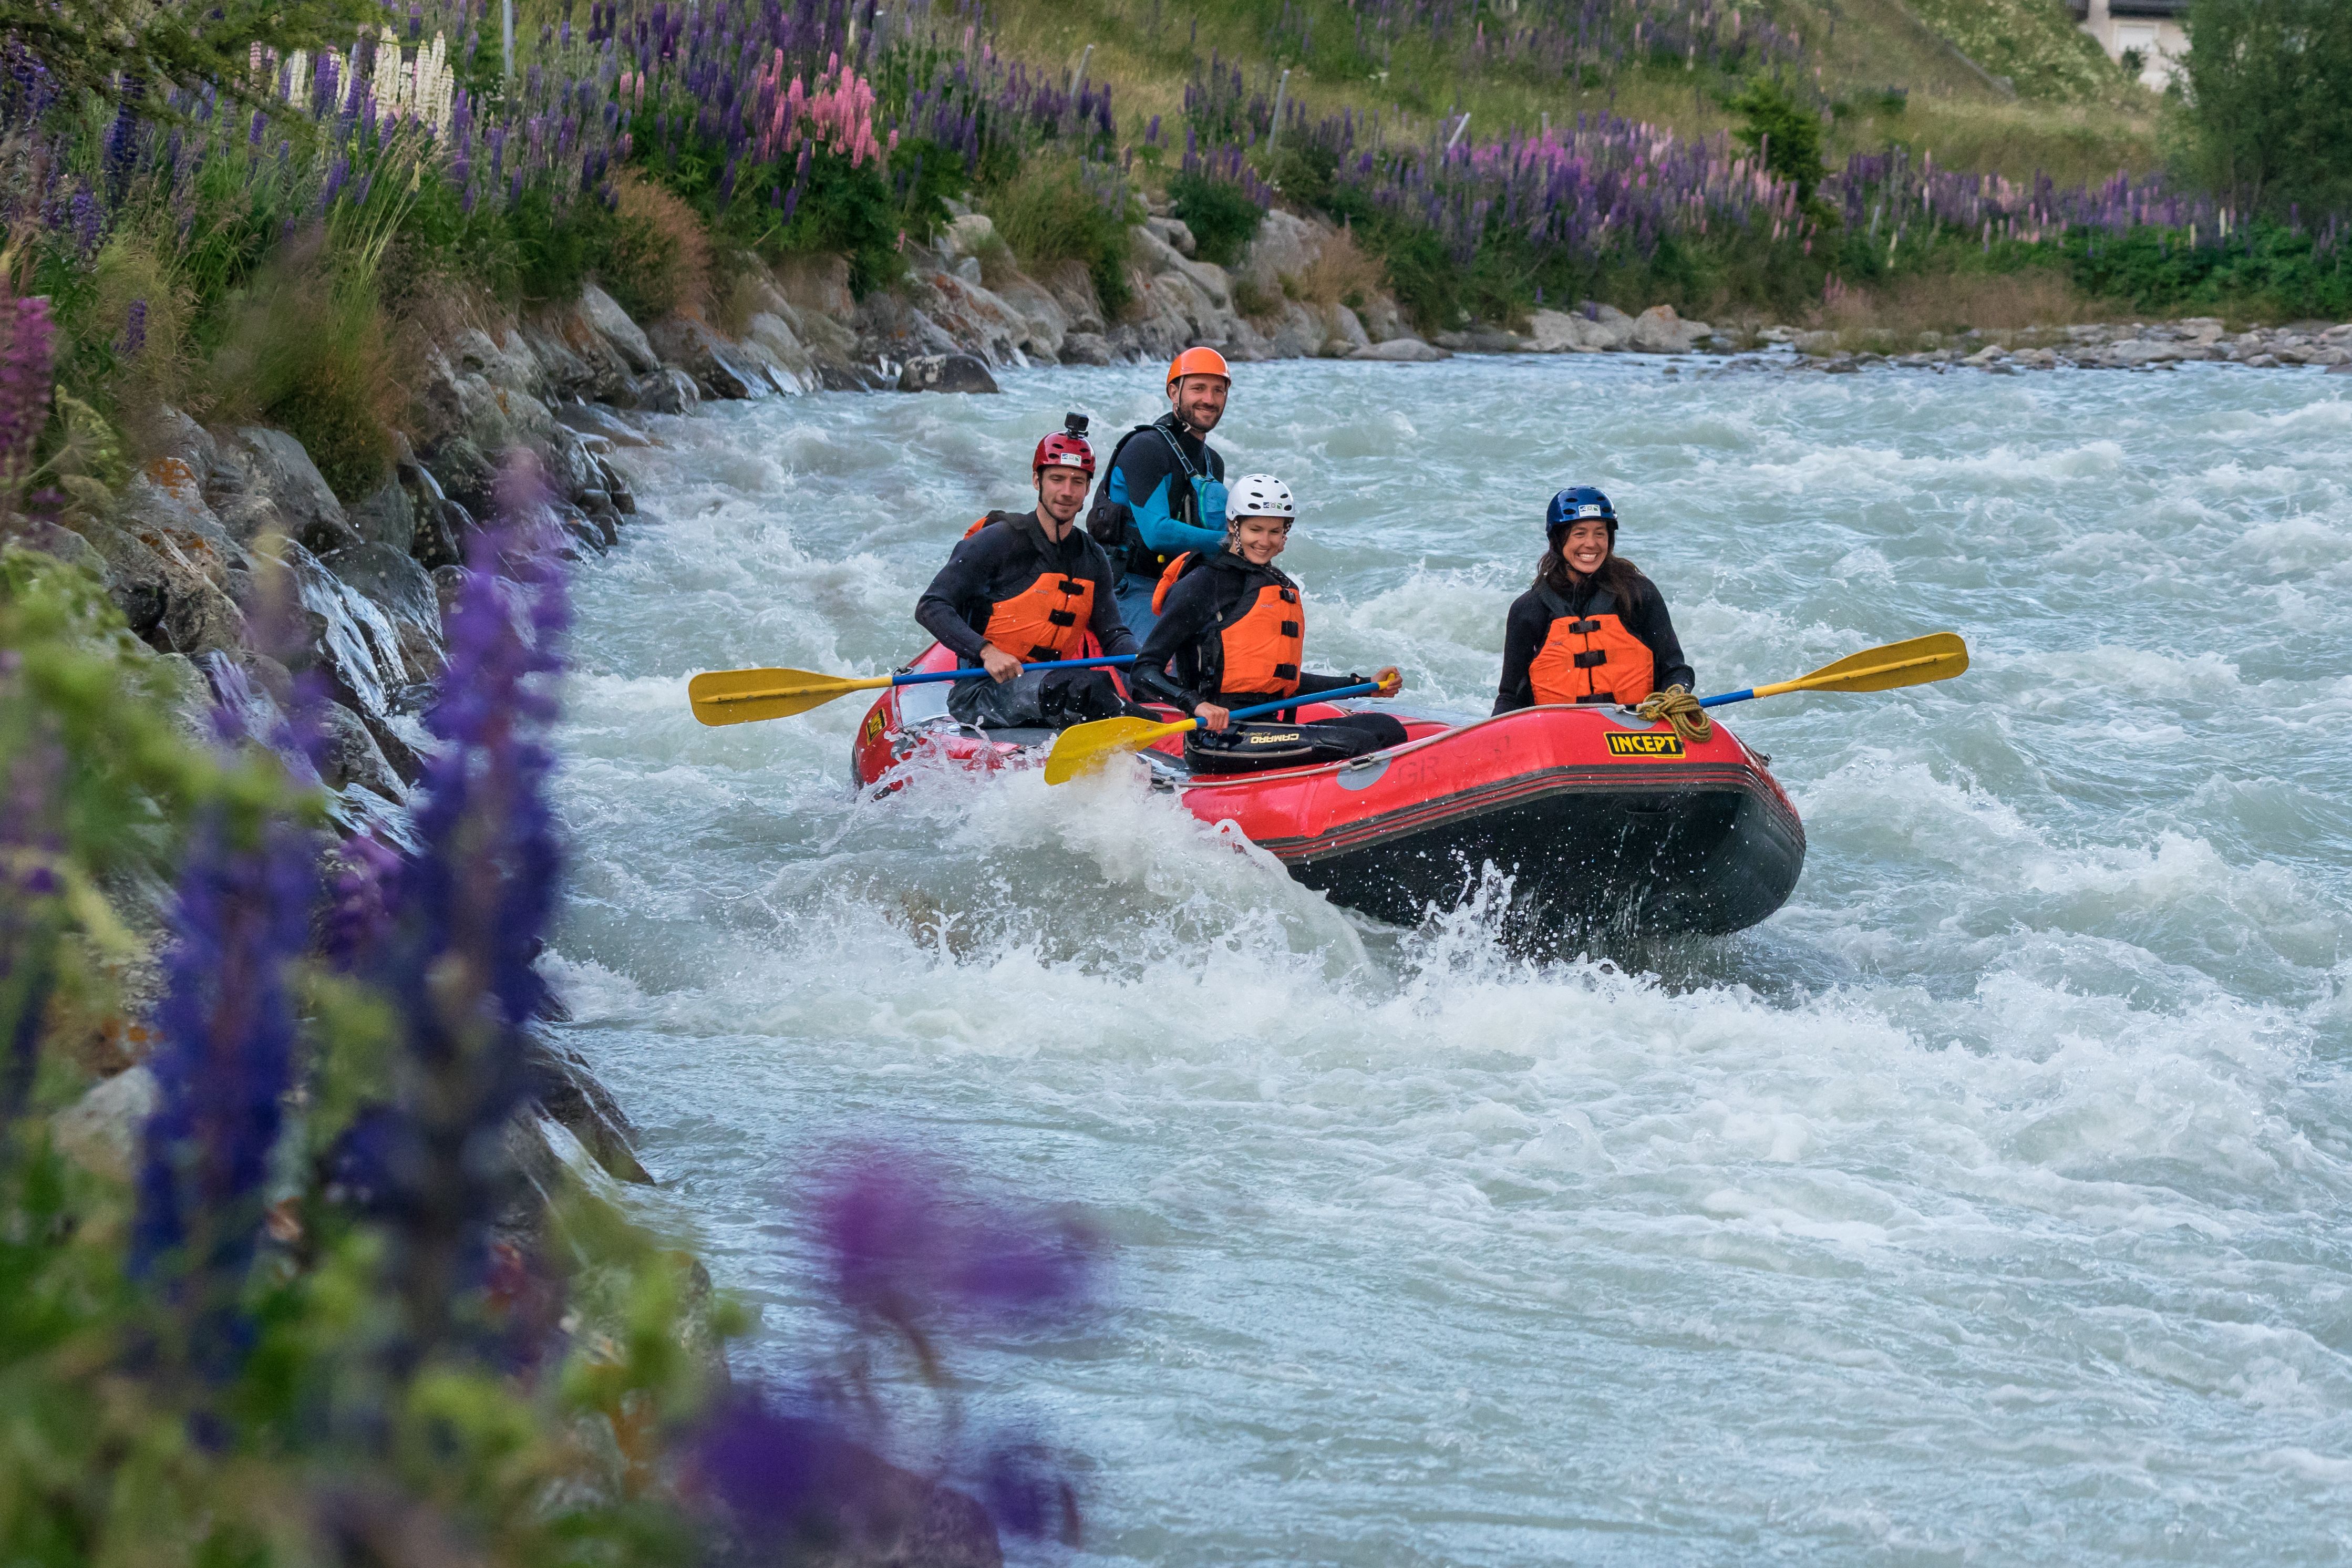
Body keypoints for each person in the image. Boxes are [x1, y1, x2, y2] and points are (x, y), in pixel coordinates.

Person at [1132, 474, 1407, 773]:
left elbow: (1281, 680)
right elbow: (1144, 670)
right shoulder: (1203, 584)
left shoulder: (1273, 584)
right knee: (1356, 744)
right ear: (1233, 526)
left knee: (1386, 728)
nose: (1265, 542)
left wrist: (1365, 685)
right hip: (1217, 738)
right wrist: (1196, 704)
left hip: (1267, 727)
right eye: (1255, 529)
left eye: (1275, 531)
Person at [914, 420, 1141, 731]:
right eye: (1057, 479)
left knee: (1093, 688)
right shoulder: (998, 540)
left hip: (1052, 686)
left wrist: (1147, 659)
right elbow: (931, 606)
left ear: (1088, 489)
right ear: (1037, 480)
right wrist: (986, 652)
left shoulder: (1093, 556)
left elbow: (1113, 634)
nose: (1067, 492)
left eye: (1077, 482)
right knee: (1082, 688)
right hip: (984, 691)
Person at [1493, 487, 1696, 716]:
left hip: (1636, 722)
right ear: (1558, 540)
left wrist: (1674, 695)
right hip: (1558, 728)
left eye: (1600, 534)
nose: (1591, 544)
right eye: (1580, 534)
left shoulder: (1638, 594)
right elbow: (1510, 697)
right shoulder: (1529, 609)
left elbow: (1677, 671)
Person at [1088, 346, 1232, 636]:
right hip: (1128, 586)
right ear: (1173, 392)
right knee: (1170, 653)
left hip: (1182, 584)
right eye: (1198, 388)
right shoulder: (1147, 448)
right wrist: (1234, 542)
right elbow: (1157, 533)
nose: (1209, 399)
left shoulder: (1213, 462)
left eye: (1219, 390)